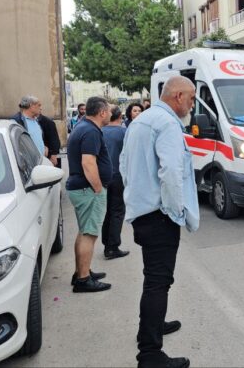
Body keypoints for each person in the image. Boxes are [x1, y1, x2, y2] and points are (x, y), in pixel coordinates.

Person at [120, 75, 198, 367]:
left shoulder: (142, 121)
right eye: (190, 98)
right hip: (159, 216)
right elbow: (171, 174)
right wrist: (175, 212)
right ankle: (150, 354)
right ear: (177, 96)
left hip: (143, 212)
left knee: (154, 279)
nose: (192, 104)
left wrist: (136, 196)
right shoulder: (166, 124)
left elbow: (123, 165)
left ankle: (155, 323)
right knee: (158, 282)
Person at [66, 97, 113, 293]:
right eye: (109, 110)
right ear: (102, 112)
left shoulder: (83, 126)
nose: (110, 113)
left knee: (84, 231)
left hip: (81, 188)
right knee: (89, 234)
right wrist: (98, 188)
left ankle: (81, 272)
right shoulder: (90, 131)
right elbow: (88, 163)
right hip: (88, 189)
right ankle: (83, 280)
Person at [101, 106, 130, 260]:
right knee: (117, 211)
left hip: (103, 176)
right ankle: (112, 246)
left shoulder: (100, 131)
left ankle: (106, 242)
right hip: (119, 176)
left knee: (107, 211)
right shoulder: (124, 133)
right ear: (120, 117)